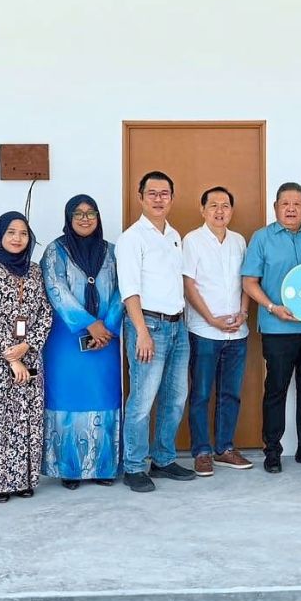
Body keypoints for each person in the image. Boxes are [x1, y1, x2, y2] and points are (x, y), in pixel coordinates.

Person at [241, 181, 301, 473]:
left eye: (297, 203)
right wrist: (272, 307)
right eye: (285, 203)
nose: (291, 208)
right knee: (276, 390)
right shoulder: (262, 238)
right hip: (278, 330)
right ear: (276, 207)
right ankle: (272, 452)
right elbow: (249, 282)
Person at [116, 171, 195, 492]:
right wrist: (141, 332)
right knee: (142, 399)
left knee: (175, 398)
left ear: (172, 198)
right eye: (152, 193)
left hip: (178, 327)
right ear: (140, 198)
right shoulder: (132, 238)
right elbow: (129, 290)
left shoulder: (174, 235)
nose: (159, 199)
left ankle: (162, 459)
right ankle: (134, 466)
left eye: (165, 193)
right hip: (147, 325)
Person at [40, 194, 124, 489]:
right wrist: (90, 324)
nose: (85, 218)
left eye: (91, 212)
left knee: (103, 397)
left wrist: (108, 325)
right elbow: (56, 289)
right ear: (69, 217)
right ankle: (70, 469)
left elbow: (123, 291)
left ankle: (103, 467)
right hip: (68, 338)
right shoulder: (55, 252)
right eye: (78, 213)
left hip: (106, 341)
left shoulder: (113, 252)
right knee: (68, 399)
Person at [0, 212, 53, 503]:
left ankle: (24, 480)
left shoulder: (35, 271)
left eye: (23, 233)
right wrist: (12, 356)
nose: (17, 238)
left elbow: (46, 312)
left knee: (26, 419)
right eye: (11, 232)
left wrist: (29, 346)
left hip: (30, 357)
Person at [183, 186, 253, 477]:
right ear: (203, 210)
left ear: (231, 211)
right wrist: (211, 318)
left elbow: (248, 280)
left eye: (225, 205)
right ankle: (201, 451)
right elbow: (188, 284)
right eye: (213, 205)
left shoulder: (238, 241)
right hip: (203, 331)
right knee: (200, 393)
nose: (219, 211)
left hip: (237, 332)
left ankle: (224, 448)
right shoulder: (192, 240)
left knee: (230, 393)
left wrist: (244, 312)